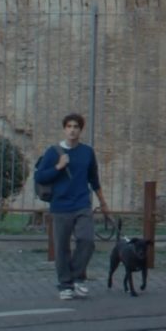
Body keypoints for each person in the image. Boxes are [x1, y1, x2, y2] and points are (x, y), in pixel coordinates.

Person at [36, 113, 109, 300]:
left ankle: (77, 278)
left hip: (82, 204)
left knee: (87, 240)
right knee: (62, 247)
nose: (72, 130)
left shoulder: (87, 152)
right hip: (60, 205)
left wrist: (102, 202)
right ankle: (65, 285)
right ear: (64, 129)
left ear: (80, 130)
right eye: (69, 126)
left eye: (76, 127)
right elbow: (40, 177)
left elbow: (94, 179)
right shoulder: (53, 152)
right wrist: (58, 167)